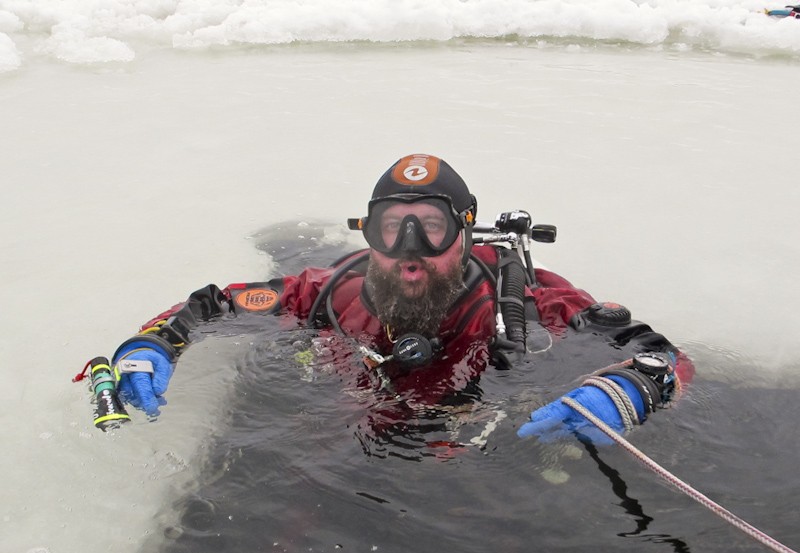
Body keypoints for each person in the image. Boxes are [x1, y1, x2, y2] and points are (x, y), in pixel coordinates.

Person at [104, 153, 693, 442]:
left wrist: (636, 386)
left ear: (464, 229)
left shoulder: (526, 297)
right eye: (392, 227)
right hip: (354, 444)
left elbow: (667, 359)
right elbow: (215, 304)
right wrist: (153, 343)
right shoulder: (331, 290)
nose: (410, 249)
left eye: (431, 227)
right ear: (370, 232)